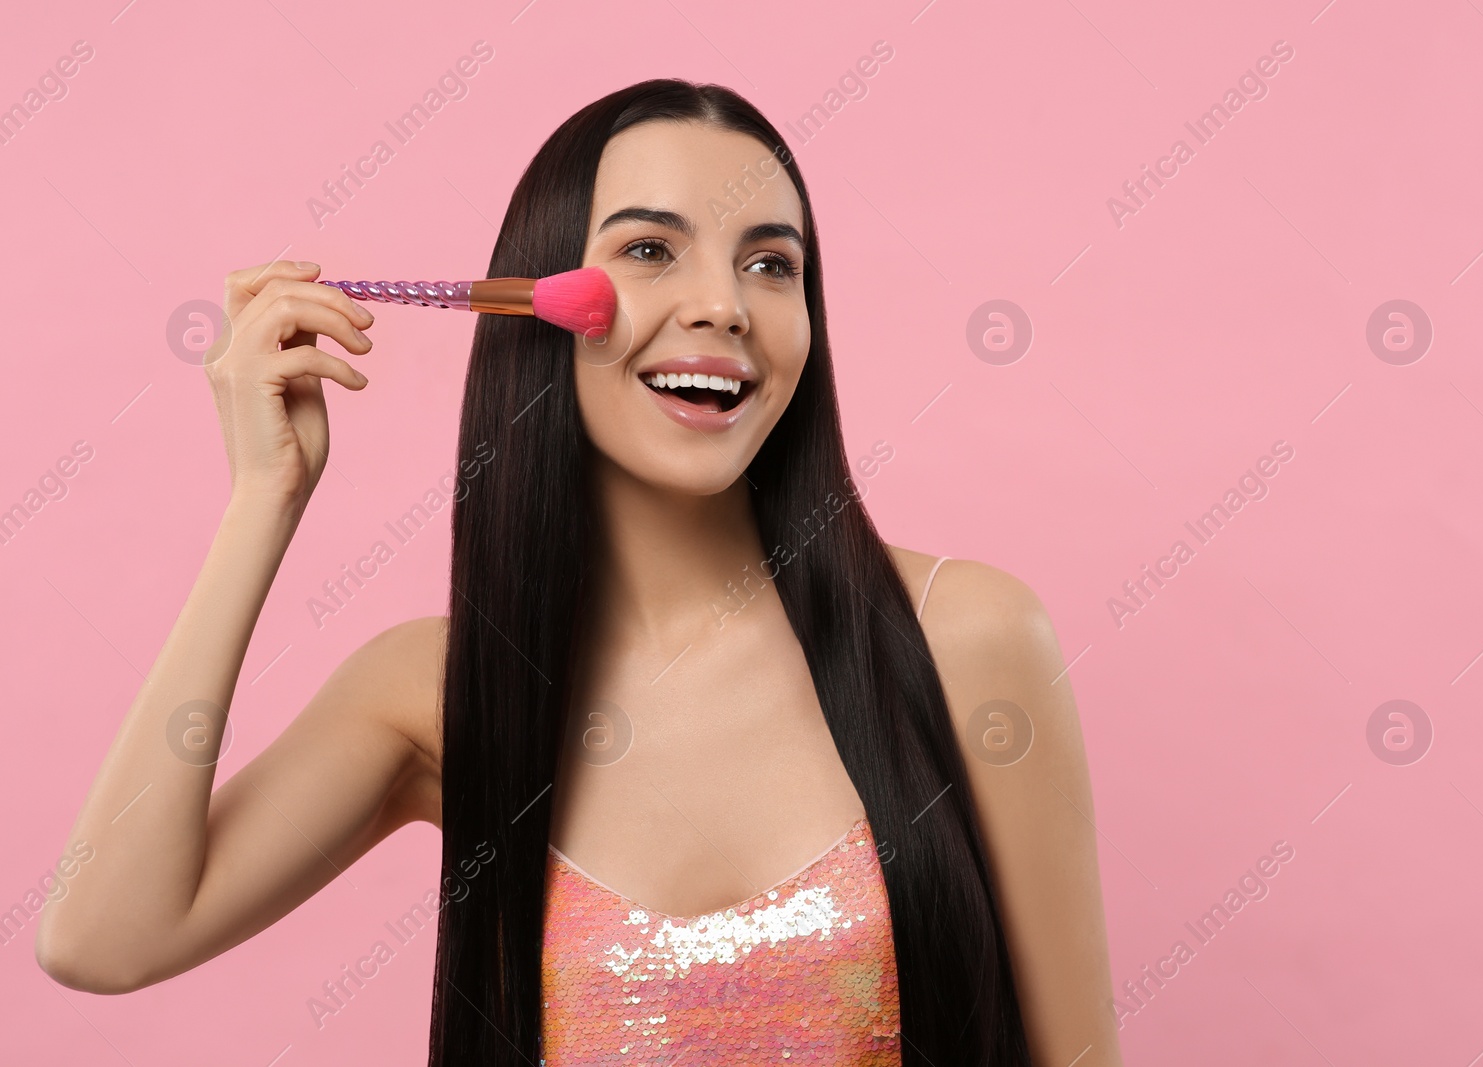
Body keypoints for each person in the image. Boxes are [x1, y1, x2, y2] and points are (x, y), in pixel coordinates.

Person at [36, 79, 1123, 1066]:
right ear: (543, 301)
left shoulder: (965, 637)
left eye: (769, 262)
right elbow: (102, 935)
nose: (724, 304)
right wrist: (260, 503)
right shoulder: (434, 690)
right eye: (652, 249)